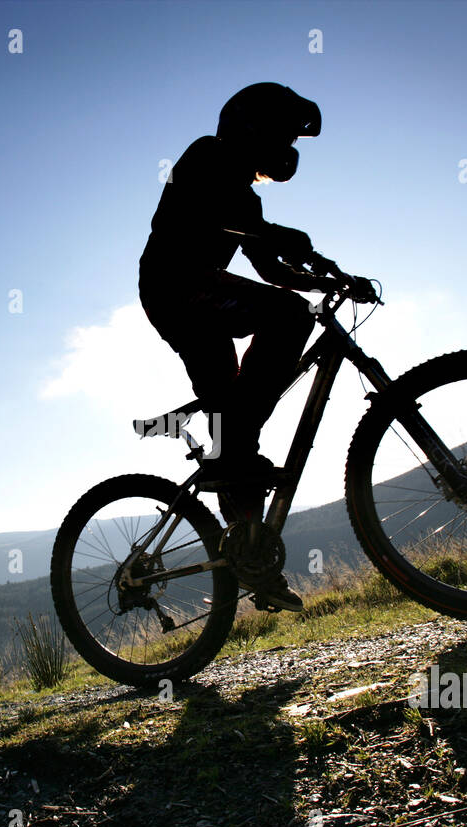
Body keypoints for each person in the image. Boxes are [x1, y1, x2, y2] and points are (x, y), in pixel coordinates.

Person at [138, 82, 366, 613]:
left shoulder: (246, 197)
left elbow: (269, 268)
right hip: (176, 287)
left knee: (233, 445)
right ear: (250, 130)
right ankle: (238, 433)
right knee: (283, 324)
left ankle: (250, 558)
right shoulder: (204, 156)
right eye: (282, 136)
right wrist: (287, 238)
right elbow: (230, 219)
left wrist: (326, 277)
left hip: (198, 297)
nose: (286, 149)